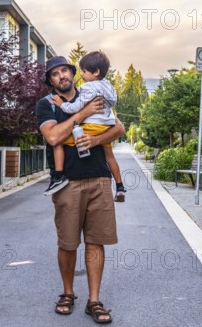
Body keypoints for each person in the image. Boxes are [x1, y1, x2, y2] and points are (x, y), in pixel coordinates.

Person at [36, 55, 125, 324]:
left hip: (99, 178)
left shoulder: (92, 90)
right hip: (68, 183)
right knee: (68, 242)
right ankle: (68, 293)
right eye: (55, 74)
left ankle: (94, 300)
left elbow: (118, 127)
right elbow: (53, 136)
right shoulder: (47, 104)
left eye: (65, 71)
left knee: (96, 241)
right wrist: (82, 115)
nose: (61, 76)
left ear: (74, 73)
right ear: (50, 80)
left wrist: (96, 139)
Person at [48, 51, 127, 202]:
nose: (82, 75)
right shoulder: (108, 86)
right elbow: (113, 102)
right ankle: (120, 187)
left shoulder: (87, 88)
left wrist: (62, 104)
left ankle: (58, 177)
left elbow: (75, 107)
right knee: (109, 156)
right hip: (106, 125)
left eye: (84, 71)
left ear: (95, 72)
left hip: (92, 126)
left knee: (59, 141)